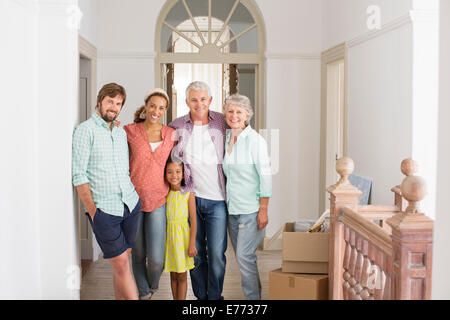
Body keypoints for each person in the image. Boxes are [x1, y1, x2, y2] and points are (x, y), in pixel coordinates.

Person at [72, 83, 141, 300]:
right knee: (120, 264)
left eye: (118, 103)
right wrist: (93, 212)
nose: (114, 107)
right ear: (100, 100)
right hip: (105, 210)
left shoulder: (120, 133)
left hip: (130, 204)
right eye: (110, 101)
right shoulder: (85, 130)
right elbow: (79, 176)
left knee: (123, 263)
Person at [168, 81, 228, 300]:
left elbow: (242, 126)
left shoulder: (222, 121)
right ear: (187, 102)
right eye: (194, 99)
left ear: (210, 100)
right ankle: (201, 299)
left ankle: (214, 298)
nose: (199, 103)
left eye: (203, 99)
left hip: (217, 200)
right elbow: (157, 136)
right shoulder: (177, 125)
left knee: (216, 254)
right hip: (190, 199)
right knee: (196, 254)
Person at [123, 88, 176, 300]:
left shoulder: (171, 134)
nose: (156, 110)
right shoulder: (129, 130)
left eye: (161, 107)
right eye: (153, 105)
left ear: (165, 111)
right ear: (146, 106)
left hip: (158, 200)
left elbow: (180, 160)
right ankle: (144, 294)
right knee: (138, 255)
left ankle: (151, 287)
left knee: (156, 258)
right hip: (133, 200)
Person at [222, 94, 272, 300]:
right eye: (230, 111)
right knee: (244, 258)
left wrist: (264, 209)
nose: (234, 115)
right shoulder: (226, 138)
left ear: (247, 115)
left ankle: (253, 301)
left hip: (251, 210)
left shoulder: (255, 141)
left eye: (239, 112)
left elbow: (265, 176)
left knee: (244, 256)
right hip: (232, 209)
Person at [164, 158, 198, 300]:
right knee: (173, 276)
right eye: (170, 172)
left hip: (183, 242)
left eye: (178, 172)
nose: (174, 175)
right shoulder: (165, 195)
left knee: (182, 276)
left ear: (183, 174)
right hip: (169, 242)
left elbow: (194, 222)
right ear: (165, 174)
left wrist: (191, 244)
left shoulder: (188, 194)